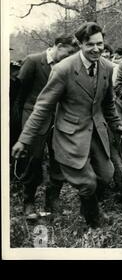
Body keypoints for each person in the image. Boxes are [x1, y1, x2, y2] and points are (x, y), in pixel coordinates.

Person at [12, 22, 122, 228]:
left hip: (95, 131)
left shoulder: (105, 67)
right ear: (81, 45)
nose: (96, 49)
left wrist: (118, 125)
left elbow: (108, 103)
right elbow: (42, 107)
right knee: (88, 182)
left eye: (100, 44)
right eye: (90, 45)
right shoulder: (63, 69)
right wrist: (24, 139)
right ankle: (94, 220)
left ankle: (88, 205)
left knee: (106, 174)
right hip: (70, 133)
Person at [12, 35, 76, 219]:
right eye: (69, 52)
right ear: (58, 46)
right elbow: (18, 93)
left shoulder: (68, 67)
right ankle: (28, 200)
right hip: (33, 116)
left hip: (59, 119)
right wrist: (17, 123)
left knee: (59, 158)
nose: (71, 56)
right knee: (34, 158)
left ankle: (53, 199)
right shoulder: (33, 61)